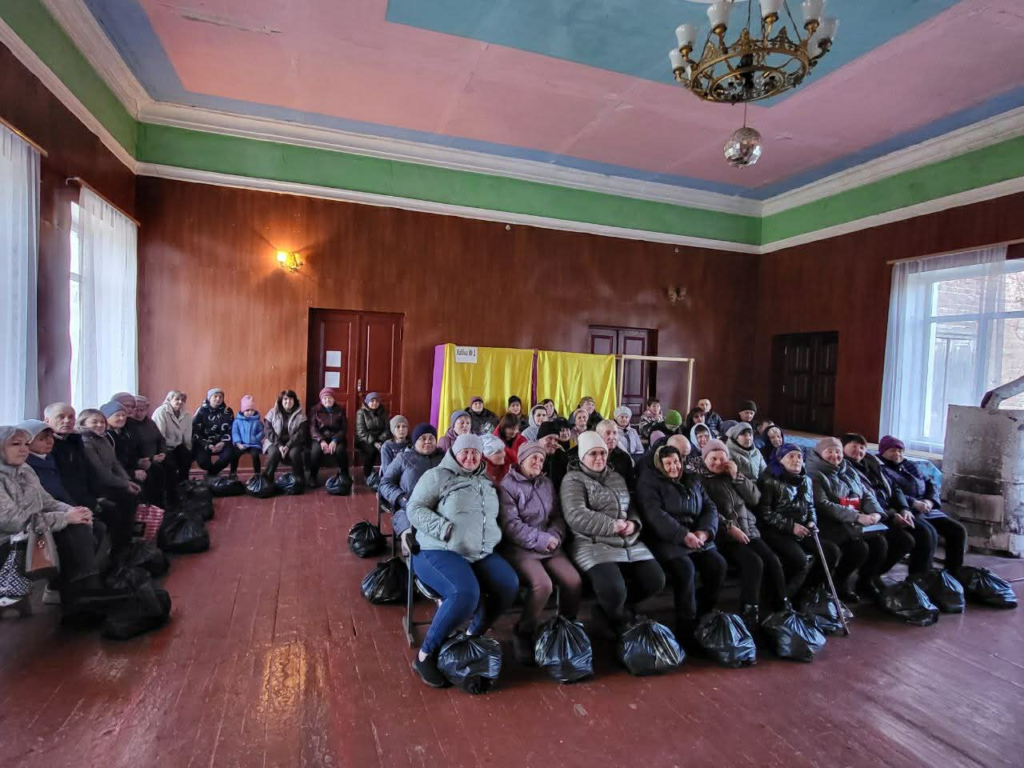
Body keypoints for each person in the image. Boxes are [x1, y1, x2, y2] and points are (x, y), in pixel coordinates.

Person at [406, 434, 519, 688]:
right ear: (455, 453)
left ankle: (471, 634)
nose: (470, 457)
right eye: (465, 452)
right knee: (465, 593)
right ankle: (425, 655)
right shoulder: (437, 476)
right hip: (437, 549)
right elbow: (414, 509)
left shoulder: (485, 481)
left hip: (477, 551)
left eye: (475, 453)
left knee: (508, 583)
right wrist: (443, 528)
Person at [0, 426, 124, 617]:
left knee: (79, 526)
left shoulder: (25, 469)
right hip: (7, 542)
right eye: (15, 444)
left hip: (32, 531)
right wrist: (65, 518)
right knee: (73, 532)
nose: (24, 449)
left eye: (26, 444)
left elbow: (46, 501)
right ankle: (82, 595)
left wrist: (72, 510)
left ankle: (81, 594)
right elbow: (13, 521)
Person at [560, 432, 664, 634]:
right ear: (582, 457)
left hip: (627, 540)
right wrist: (612, 526)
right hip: (592, 543)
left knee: (655, 580)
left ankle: (612, 610)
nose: (599, 458)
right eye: (593, 454)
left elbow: (630, 506)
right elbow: (576, 515)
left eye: (603, 453)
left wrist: (634, 523)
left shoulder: (616, 477)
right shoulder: (572, 479)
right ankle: (618, 619)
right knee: (614, 589)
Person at [498, 441, 582, 663]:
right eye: (533, 458)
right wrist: (542, 539)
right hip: (521, 548)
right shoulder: (507, 486)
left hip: (549, 545)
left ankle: (565, 626)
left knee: (573, 580)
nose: (537, 462)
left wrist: (555, 536)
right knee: (542, 585)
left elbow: (556, 515)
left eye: (541, 459)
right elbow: (511, 526)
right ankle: (523, 631)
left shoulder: (545, 483)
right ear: (522, 460)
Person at [636, 444, 726, 640]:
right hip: (667, 539)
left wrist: (704, 532)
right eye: (668, 463)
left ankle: (703, 617)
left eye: (676, 462)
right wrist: (683, 535)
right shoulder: (649, 482)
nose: (673, 467)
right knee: (686, 570)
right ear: (659, 465)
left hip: (697, 536)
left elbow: (710, 507)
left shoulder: (692, 479)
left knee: (718, 565)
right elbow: (654, 515)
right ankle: (686, 627)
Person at [697, 439, 787, 630]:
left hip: (749, 530)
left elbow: (754, 499)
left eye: (722, 458)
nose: (718, 463)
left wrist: (737, 476)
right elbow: (707, 511)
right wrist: (728, 527)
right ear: (705, 459)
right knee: (754, 562)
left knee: (772, 560)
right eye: (713, 458)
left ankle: (780, 608)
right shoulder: (700, 481)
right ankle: (750, 612)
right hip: (724, 536)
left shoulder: (733, 475)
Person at [806, 437, 905, 604]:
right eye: (829, 451)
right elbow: (823, 505)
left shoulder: (848, 469)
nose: (834, 455)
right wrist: (857, 516)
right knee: (858, 548)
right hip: (828, 521)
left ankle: (866, 581)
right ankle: (838, 583)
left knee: (880, 543)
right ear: (819, 453)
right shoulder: (814, 473)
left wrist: (876, 513)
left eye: (837, 451)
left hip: (851, 520)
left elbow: (866, 494)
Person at [841, 433, 938, 579]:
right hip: (870, 514)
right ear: (842, 448)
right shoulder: (844, 468)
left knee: (928, 531)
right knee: (908, 539)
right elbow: (864, 498)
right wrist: (892, 514)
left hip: (887, 510)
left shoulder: (870, 463)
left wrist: (904, 508)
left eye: (862, 447)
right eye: (854, 446)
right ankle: (870, 578)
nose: (859, 451)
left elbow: (894, 488)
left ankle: (920, 578)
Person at [45, 403, 134, 554]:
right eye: (61, 417)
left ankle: (119, 556)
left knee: (123, 502)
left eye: (70, 417)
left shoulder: (74, 441)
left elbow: (89, 472)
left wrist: (97, 497)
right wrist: (89, 503)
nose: (66, 421)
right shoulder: (49, 446)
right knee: (112, 512)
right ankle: (112, 560)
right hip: (65, 505)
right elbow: (59, 485)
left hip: (87, 495)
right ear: (47, 421)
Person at [757, 444, 839, 600]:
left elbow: (810, 506)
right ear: (780, 460)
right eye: (791, 456)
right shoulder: (769, 480)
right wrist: (791, 527)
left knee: (831, 551)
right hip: (776, 530)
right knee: (799, 560)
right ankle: (783, 597)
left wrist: (811, 521)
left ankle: (808, 589)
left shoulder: (806, 480)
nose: (796, 460)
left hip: (802, 529)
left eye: (799, 457)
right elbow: (764, 513)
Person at [878, 435, 967, 576]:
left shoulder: (910, 465)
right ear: (883, 451)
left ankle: (952, 574)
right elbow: (891, 493)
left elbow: (930, 483)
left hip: (926, 507)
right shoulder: (881, 469)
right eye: (892, 451)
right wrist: (914, 503)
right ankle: (920, 576)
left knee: (957, 531)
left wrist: (929, 501)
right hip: (906, 509)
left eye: (900, 451)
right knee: (927, 534)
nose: (897, 454)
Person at [76, 409, 142, 555]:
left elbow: (115, 463)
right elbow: (102, 474)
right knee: (123, 502)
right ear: (83, 423)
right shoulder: (85, 442)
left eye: (102, 422)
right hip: (97, 486)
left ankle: (127, 540)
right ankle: (119, 549)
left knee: (133, 494)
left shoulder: (103, 438)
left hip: (110, 481)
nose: (100, 425)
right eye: (94, 422)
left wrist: (128, 480)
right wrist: (125, 485)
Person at [379, 424, 443, 552]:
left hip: (440, 507)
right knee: (413, 545)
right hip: (408, 508)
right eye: (423, 438)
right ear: (415, 441)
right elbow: (385, 483)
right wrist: (400, 498)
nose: (427, 441)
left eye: (431, 438)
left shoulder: (444, 458)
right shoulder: (403, 458)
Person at [103, 401, 164, 506]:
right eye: (117, 415)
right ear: (107, 417)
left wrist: (139, 461)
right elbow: (113, 463)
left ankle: (157, 510)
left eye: (123, 415)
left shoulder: (122, 432)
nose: (122, 418)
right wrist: (132, 473)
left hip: (128, 468)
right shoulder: (107, 436)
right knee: (141, 484)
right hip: (117, 475)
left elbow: (130, 454)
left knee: (157, 470)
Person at [262, 390, 309, 483]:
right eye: (285, 399)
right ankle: (267, 481)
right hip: (274, 441)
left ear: (295, 401)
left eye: (291, 399)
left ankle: (299, 480)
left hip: (294, 442)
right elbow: (268, 430)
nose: (288, 401)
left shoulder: (301, 414)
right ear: (280, 400)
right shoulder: (272, 412)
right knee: (274, 453)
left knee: (294, 454)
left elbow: (301, 432)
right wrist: (279, 446)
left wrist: (288, 445)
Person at [307, 387, 350, 486]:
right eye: (325, 398)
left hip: (336, 438)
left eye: (330, 398)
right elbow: (312, 428)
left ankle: (345, 475)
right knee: (315, 451)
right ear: (321, 400)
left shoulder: (340, 410)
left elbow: (343, 428)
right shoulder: (315, 410)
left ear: (334, 399)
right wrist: (321, 440)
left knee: (340, 451)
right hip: (319, 438)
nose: (327, 400)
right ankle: (313, 476)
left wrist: (335, 440)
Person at [192, 387, 236, 478]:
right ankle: (213, 474)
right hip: (204, 442)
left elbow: (231, 429)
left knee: (230, 454)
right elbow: (195, 431)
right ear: (209, 398)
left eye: (220, 397)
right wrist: (207, 445)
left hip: (222, 441)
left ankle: (211, 474)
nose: (218, 399)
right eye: (215, 396)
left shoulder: (228, 411)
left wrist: (223, 442)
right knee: (203, 462)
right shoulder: (201, 411)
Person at [152, 390, 193, 485]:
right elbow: (159, 435)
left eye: (182, 400)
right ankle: (171, 488)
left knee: (187, 456)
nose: (180, 402)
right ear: (169, 400)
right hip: (162, 447)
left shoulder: (186, 414)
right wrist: (163, 451)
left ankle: (183, 483)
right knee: (171, 463)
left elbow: (187, 436)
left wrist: (188, 450)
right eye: (177, 399)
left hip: (177, 445)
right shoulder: (161, 411)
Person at [355, 392, 390, 483]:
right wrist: (374, 442)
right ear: (367, 402)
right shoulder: (361, 412)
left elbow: (387, 429)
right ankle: (367, 475)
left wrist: (380, 440)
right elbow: (361, 431)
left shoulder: (383, 411)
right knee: (371, 451)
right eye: (372, 401)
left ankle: (387, 475)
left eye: (377, 401)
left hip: (380, 439)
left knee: (388, 449)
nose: (375, 403)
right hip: (364, 439)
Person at [595, 419, 636, 491]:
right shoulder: (589, 457)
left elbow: (630, 486)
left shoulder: (624, 457)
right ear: (598, 435)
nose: (612, 437)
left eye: (615, 433)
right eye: (608, 433)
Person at [231, 395, 264, 477]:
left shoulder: (257, 421)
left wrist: (256, 438)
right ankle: (233, 473)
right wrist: (238, 444)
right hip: (241, 444)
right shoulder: (237, 422)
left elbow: (263, 431)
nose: (250, 412)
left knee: (255, 455)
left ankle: (257, 474)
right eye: (247, 410)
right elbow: (235, 433)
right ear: (243, 411)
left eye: (252, 410)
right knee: (235, 455)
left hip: (254, 445)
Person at [538, 421, 570, 492]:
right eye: (549, 438)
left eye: (556, 440)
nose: (553, 443)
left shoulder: (563, 458)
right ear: (539, 439)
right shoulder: (530, 458)